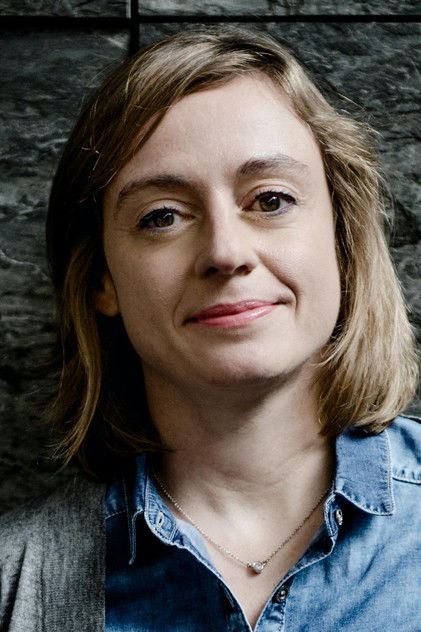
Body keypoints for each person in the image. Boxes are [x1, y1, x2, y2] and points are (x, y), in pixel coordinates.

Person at [0, 26, 420, 632]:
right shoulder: (14, 586)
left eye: (271, 200)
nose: (226, 253)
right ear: (102, 280)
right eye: (162, 217)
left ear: (342, 239)